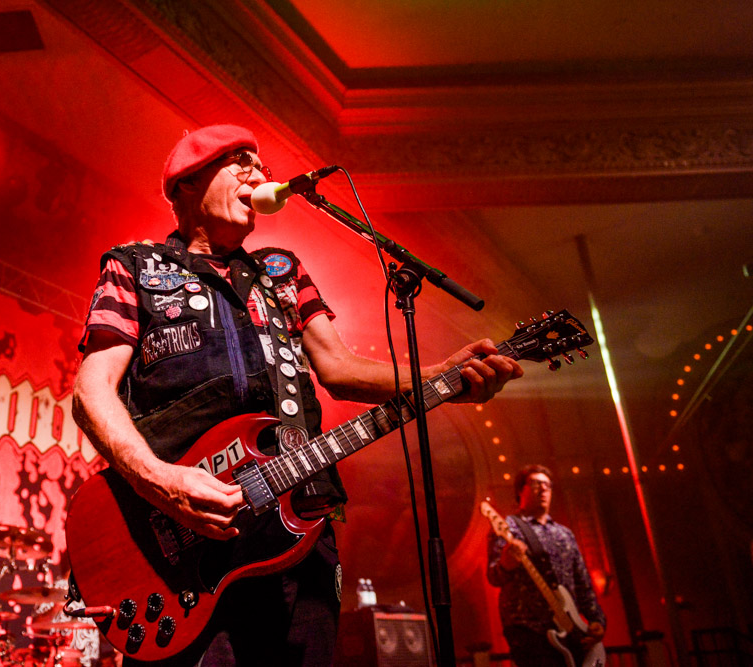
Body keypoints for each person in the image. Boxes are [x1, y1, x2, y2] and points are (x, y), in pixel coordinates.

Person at [72, 124, 524, 666]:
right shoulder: (134, 266)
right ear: (188, 182)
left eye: (259, 164)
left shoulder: (281, 271)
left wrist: (439, 377)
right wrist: (163, 482)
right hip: (181, 547)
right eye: (238, 160)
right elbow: (91, 390)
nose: (257, 173)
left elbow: (338, 367)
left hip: (298, 526)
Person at [487, 464, 606, 667]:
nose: (543, 489)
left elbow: (582, 583)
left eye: (547, 485)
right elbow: (494, 576)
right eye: (535, 484)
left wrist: (597, 620)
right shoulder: (509, 528)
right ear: (520, 490)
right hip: (527, 631)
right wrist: (506, 563)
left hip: (570, 631)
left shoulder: (564, 534)